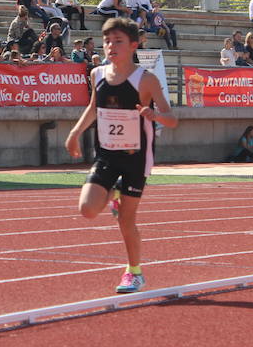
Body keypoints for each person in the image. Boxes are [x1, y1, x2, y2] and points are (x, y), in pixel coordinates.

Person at [65, 17, 178, 294]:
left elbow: (172, 118)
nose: (110, 46)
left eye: (118, 41)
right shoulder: (97, 74)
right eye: (106, 41)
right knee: (88, 209)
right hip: (106, 154)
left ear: (133, 46)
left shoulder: (146, 80)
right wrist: (75, 133)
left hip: (135, 157)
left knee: (127, 221)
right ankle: (112, 194)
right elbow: (93, 107)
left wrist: (155, 115)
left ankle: (134, 272)